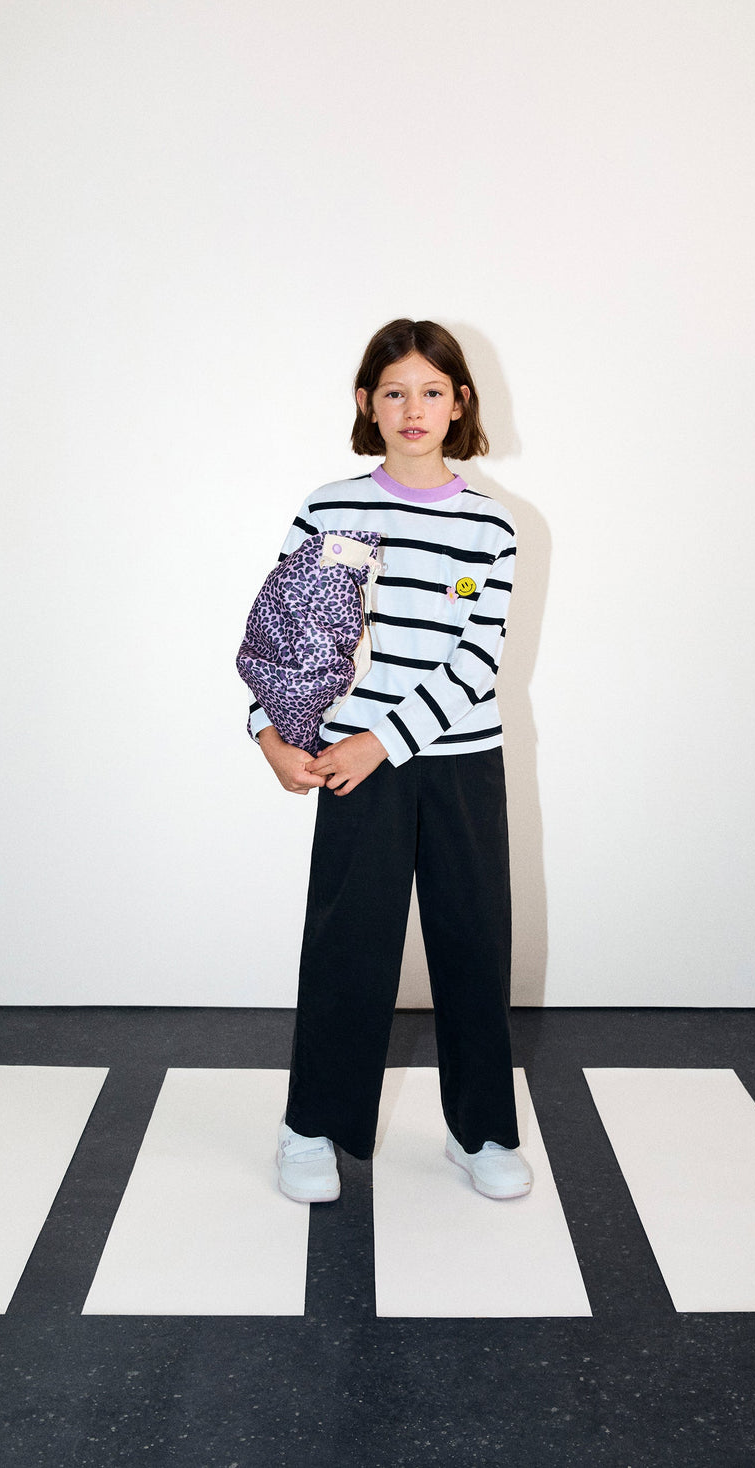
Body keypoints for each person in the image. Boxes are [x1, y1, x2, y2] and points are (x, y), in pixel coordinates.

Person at [246, 318, 532, 1204]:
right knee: (348, 948)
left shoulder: (491, 526)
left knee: (473, 945)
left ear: (461, 404)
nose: (414, 408)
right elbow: (280, 637)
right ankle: (311, 1129)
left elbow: (477, 662)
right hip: (349, 765)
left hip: (457, 761)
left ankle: (481, 1131)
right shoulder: (331, 508)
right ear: (368, 403)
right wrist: (269, 732)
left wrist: (385, 740)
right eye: (395, 391)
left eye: (432, 391)